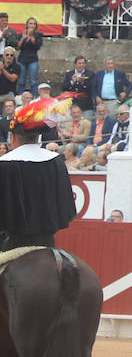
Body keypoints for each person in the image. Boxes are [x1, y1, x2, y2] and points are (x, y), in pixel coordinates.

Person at [0, 95, 78, 249]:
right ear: (38, 137)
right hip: (47, 239)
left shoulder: (4, 164)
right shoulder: (56, 161)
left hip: (12, 241)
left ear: (14, 137)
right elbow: (65, 206)